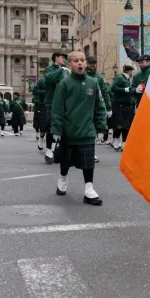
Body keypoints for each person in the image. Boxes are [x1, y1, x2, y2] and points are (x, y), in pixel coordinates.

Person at [50, 51, 108, 205]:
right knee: (66, 161)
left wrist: (101, 128)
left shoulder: (93, 83)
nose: (81, 63)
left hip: (87, 131)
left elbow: (99, 107)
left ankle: (89, 190)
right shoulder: (64, 84)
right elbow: (57, 109)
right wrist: (56, 130)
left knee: (88, 163)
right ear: (70, 65)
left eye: (82, 60)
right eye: (76, 61)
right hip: (68, 132)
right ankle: (63, 178)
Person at [43, 51, 70, 164]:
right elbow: (50, 79)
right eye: (62, 57)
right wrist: (61, 69)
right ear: (56, 58)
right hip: (52, 101)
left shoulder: (67, 70)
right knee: (51, 126)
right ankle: (49, 149)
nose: (64, 59)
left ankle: (58, 148)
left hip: (65, 102)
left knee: (64, 126)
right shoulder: (50, 69)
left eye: (65, 57)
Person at [85, 56, 112, 144]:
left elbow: (105, 92)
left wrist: (108, 108)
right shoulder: (83, 74)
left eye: (94, 63)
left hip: (96, 104)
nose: (92, 65)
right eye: (90, 63)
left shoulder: (99, 77)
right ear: (86, 63)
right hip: (84, 104)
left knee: (94, 125)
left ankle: (92, 145)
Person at [110, 65, 136, 151]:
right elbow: (113, 88)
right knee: (120, 125)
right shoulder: (120, 78)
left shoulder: (128, 80)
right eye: (132, 71)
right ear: (129, 71)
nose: (132, 73)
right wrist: (125, 89)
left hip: (128, 106)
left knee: (127, 126)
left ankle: (124, 143)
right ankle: (116, 140)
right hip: (120, 105)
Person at [32, 77, 46, 147]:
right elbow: (33, 99)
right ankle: (40, 136)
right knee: (40, 124)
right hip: (39, 109)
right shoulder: (37, 95)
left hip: (52, 106)